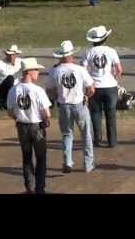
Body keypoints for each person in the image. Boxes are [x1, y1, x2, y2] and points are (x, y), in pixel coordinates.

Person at [46, 40, 96, 173]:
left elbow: (49, 90)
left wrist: (57, 97)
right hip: (79, 104)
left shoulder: (55, 71)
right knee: (86, 135)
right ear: (72, 55)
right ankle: (88, 164)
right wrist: (86, 96)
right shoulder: (80, 69)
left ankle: (67, 161)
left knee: (67, 134)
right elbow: (91, 89)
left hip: (63, 106)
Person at [6, 58, 52, 194]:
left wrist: (18, 117)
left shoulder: (13, 90)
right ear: (29, 72)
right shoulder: (38, 90)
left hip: (21, 126)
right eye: (36, 70)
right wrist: (46, 119)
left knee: (26, 157)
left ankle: (29, 186)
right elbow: (47, 113)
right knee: (41, 157)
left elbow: (10, 111)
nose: (38, 73)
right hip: (37, 127)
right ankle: (40, 188)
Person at [82, 26, 122, 147]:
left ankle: (97, 139)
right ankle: (112, 141)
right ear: (105, 38)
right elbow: (119, 69)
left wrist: (88, 84)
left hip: (95, 87)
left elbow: (83, 70)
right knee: (111, 114)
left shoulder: (88, 52)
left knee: (95, 113)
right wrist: (115, 80)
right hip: (110, 87)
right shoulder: (111, 51)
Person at [0, 44, 23, 109]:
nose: (11, 57)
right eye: (9, 55)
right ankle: (8, 102)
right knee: (10, 78)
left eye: (13, 55)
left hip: (17, 89)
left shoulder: (21, 62)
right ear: (6, 54)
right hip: (2, 89)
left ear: (16, 55)